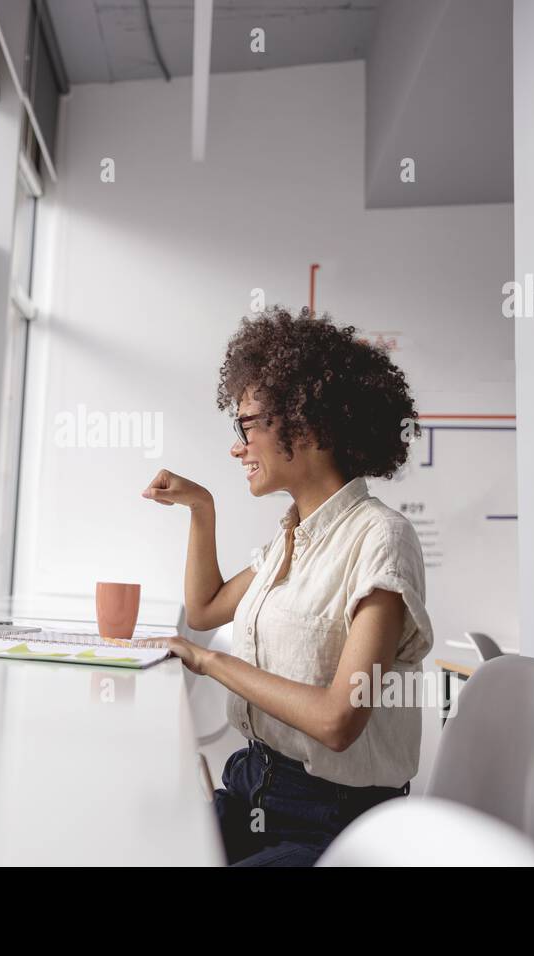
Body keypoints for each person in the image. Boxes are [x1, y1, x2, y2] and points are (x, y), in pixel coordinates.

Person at [142, 305, 434, 866]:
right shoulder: (291, 540)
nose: (237, 445)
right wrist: (202, 507)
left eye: (247, 424)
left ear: (309, 424)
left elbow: (338, 721)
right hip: (253, 789)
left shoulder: (382, 540)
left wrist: (207, 663)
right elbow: (204, 610)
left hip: (335, 826)